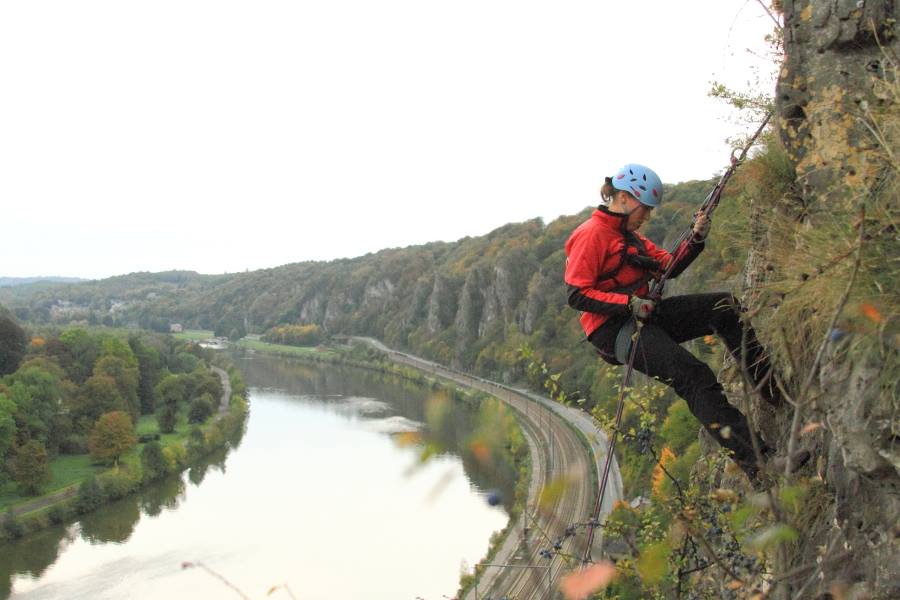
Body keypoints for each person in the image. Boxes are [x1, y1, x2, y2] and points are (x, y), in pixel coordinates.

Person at [564, 163, 809, 482]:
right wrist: (628, 303)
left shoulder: (631, 237)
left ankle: (772, 390)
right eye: (644, 209)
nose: (647, 217)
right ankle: (760, 465)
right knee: (693, 377)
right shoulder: (591, 234)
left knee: (724, 306)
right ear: (624, 198)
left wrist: (695, 239)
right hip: (614, 330)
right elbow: (577, 294)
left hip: (643, 313)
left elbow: (669, 266)